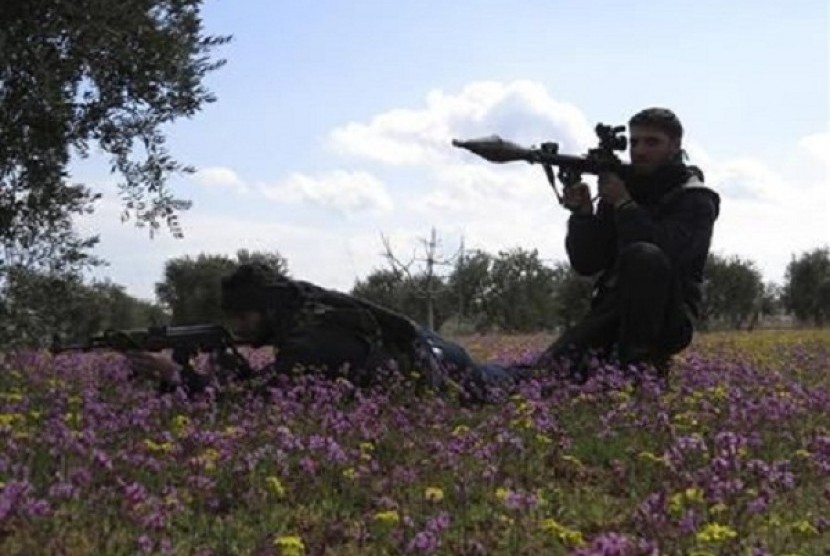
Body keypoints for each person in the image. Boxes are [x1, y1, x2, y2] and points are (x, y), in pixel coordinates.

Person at [126, 263, 518, 402]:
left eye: (243, 317)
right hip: (427, 351)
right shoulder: (299, 308)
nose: (238, 328)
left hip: (443, 366)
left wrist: (175, 376)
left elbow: (251, 400)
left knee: (525, 381)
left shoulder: (310, 339)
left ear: (266, 308)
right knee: (516, 375)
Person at [534, 107, 720, 378]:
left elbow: (664, 253)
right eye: (633, 142)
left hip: (668, 319)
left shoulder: (695, 199)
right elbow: (588, 263)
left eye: (651, 142)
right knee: (545, 374)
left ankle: (639, 373)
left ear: (675, 145)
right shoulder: (625, 188)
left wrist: (624, 204)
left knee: (643, 255)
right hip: (613, 311)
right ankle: (452, 362)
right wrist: (583, 215)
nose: (639, 150)